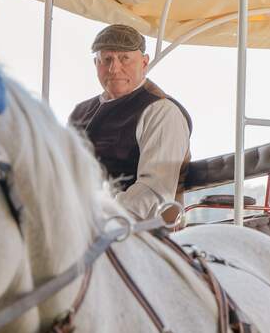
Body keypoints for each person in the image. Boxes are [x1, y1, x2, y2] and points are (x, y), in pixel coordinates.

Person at [68, 24, 192, 220]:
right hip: (74, 223)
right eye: (106, 59)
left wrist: (96, 219)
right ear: (96, 64)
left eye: (124, 58)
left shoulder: (161, 112)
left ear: (144, 63)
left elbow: (153, 191)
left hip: (136, 230)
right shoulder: (80, 113)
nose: (114, 68)